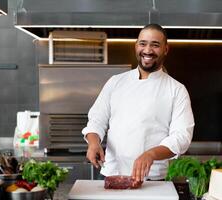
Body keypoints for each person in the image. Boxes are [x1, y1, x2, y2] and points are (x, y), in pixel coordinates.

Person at [82, 23, 194, 182]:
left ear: (166, 49)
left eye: (155, 45)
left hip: (151, 178)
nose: (147, 50)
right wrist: (93, 142)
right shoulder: (116, 82)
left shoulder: (176, 90)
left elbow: (181, 136)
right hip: (112, 172)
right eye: (143, 43)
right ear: (136, 46)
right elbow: (97, 119)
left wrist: (151, 154)